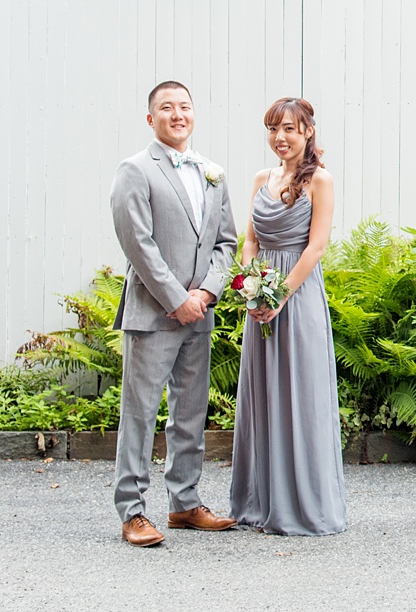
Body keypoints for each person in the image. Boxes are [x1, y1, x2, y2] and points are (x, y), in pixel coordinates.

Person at [108, 81, 238, 547]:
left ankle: (185, 502)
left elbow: (226, 243)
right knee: (139, 413)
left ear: (193, 114)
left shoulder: (213, 173)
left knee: (190, 413)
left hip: (199, 313)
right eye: (167, 107)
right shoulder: (135, 170)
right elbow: (137, 243)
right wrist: (175, 297)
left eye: (184, 106)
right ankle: (133, 512)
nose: (177, 114)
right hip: (153, 313)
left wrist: (205, 293)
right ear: (151, 119)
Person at [230, 98, 348, 536]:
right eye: (274, 129)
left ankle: (303, 504)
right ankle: (259, 502)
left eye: (290, 130)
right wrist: (250, 287)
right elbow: (250, 240)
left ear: (308, 132)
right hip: (260, 298)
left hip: (297, 298)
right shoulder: (262, 178)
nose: (281, 138)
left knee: (301, 393)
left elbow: (316, 247)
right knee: (262, 396)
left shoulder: (321, 180)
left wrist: (278, 294)